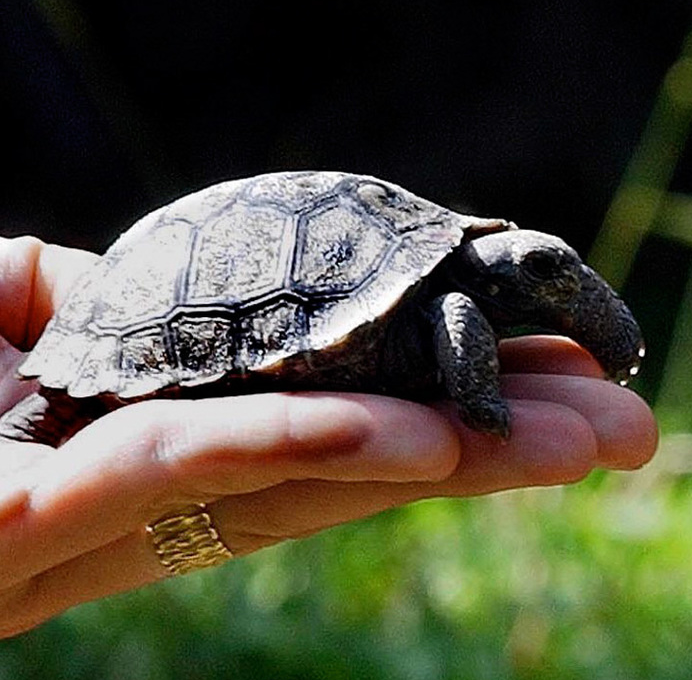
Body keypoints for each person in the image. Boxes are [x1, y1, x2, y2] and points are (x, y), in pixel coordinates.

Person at [0, 234, 658, 636]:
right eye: (539, 268)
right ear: (492, 271)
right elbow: (455, 310)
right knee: (74, 404)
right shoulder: (455, 300)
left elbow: (579, 295)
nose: (559, 279)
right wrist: (480, 400)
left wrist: (615, 346)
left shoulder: (478, 273)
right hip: (160, 309)